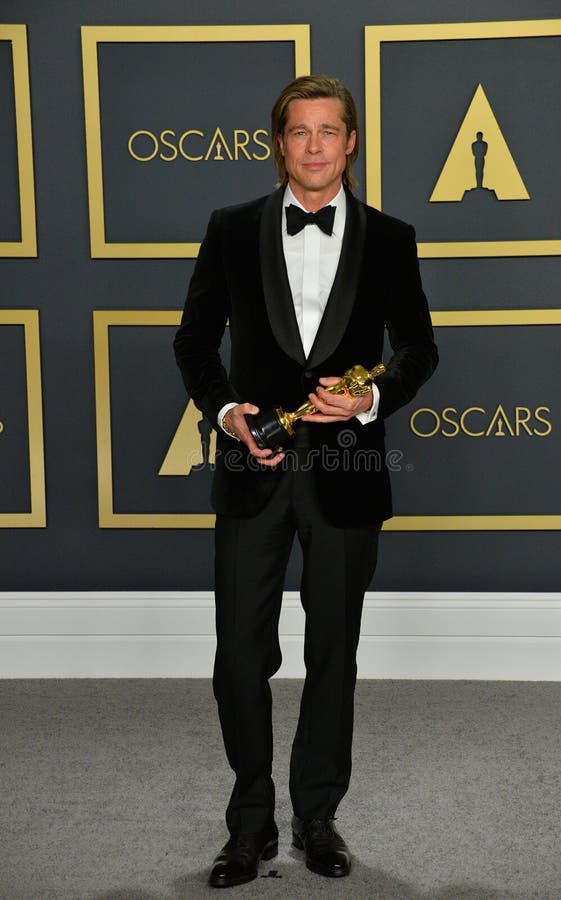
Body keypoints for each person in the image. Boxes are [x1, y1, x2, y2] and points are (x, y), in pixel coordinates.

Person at [174, 74, 438, 888]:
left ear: (351, 141)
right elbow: (193, 343)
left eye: (330, 131)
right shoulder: (230, 229)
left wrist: (370, 398)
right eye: (299, 132)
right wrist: (225, 417)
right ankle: (248, 825)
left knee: (333, 653)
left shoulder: (391, 238)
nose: (315, 146)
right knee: (238, 658)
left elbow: (418, 351)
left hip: (348, 475)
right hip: (251, 474)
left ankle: (316, 817)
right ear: (278, 141)